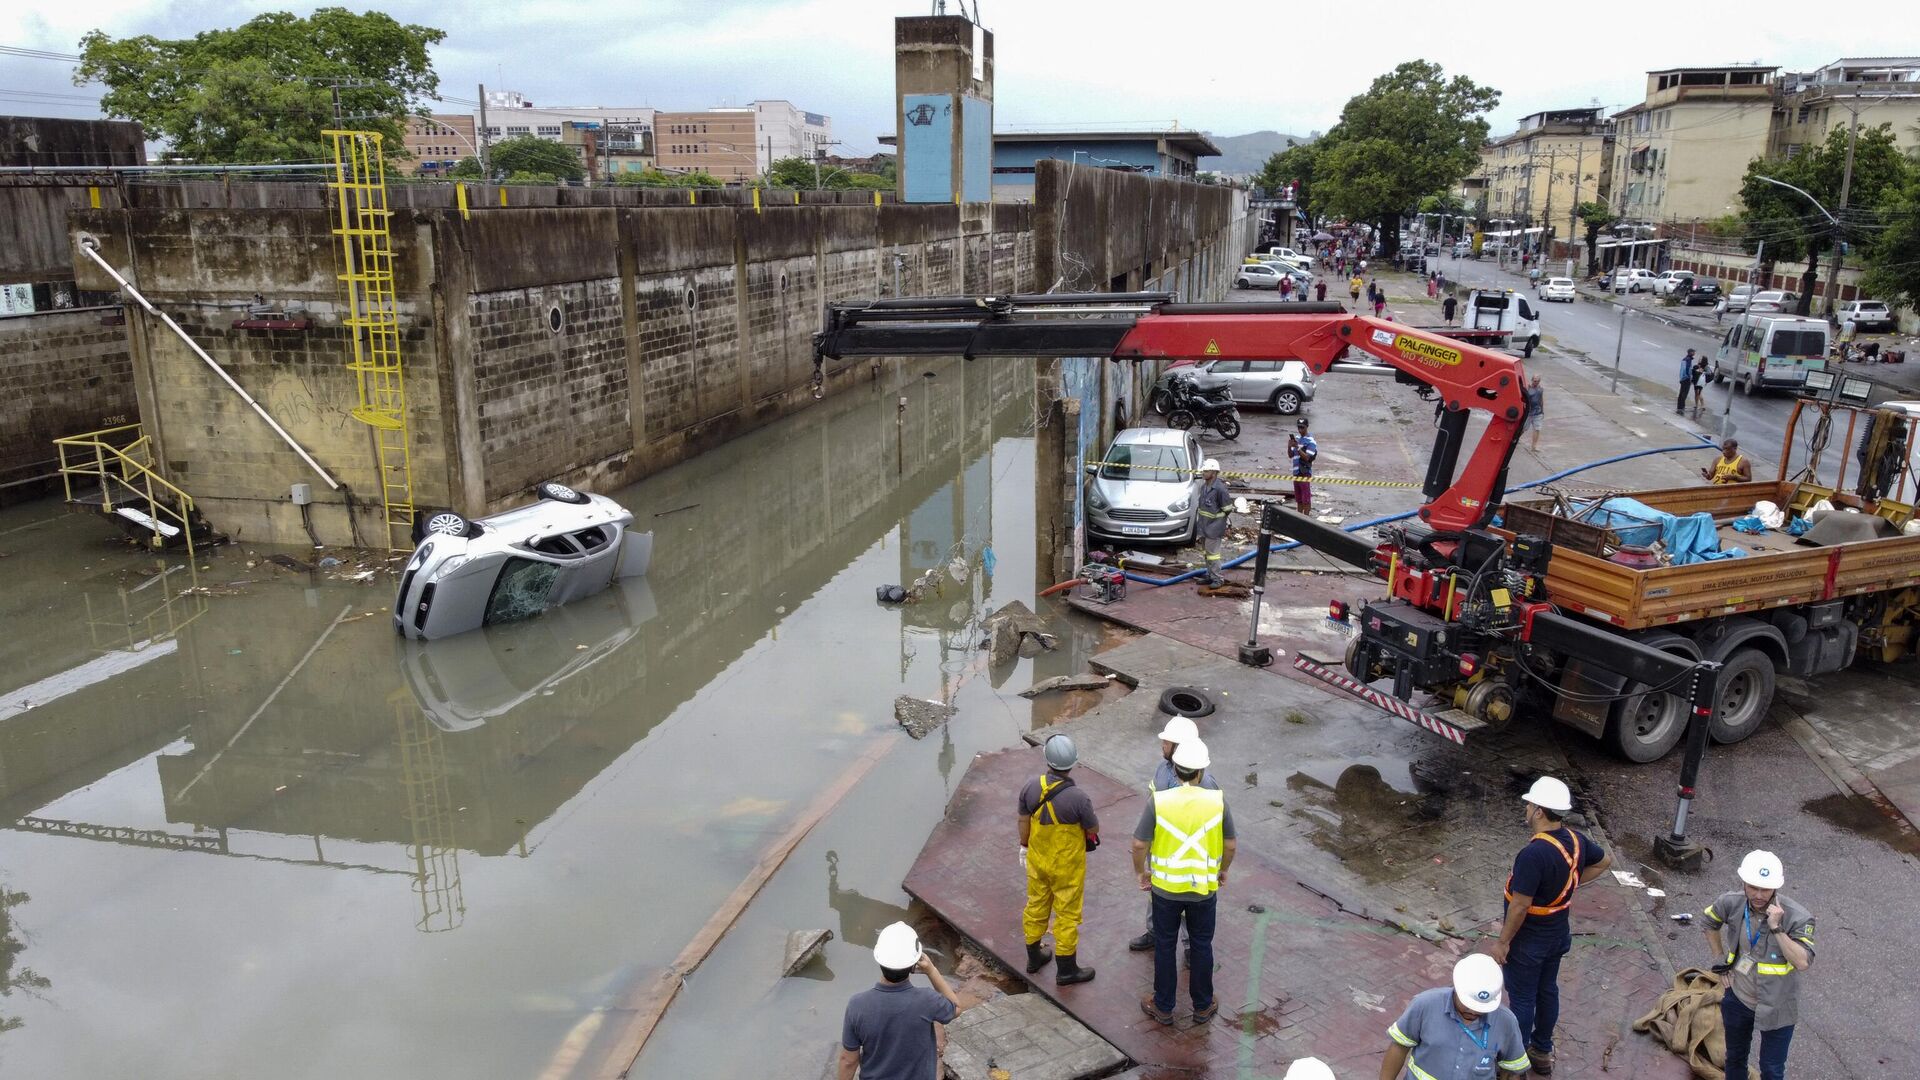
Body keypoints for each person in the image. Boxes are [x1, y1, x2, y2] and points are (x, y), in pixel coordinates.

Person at [1486, 776, 1610, 1076]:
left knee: (1523, 997)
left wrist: (1503, 942)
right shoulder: (1577, 840)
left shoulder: (1533, 854)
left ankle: (1513, 1061)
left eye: (1530, 804)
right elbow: (1606, 860)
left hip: (1529, 940)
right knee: (1547, 990)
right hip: (1557, 934)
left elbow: (1520, 906)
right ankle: (1542, 1051)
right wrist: (1569, 887)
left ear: (1539, 811)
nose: (1526, 809)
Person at [1132, 738, 1235, 1025]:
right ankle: (1202, 1006)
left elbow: (1139, 844)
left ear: (1175, 768)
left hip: (1165, 890)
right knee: (1202, 944)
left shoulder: (1159, 801)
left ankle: (1163, 1006)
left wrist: (1141, 873)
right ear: (1201, 772)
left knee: (1165, 946)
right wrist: (1223, 870)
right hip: (1203, 889)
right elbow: (1230, 845)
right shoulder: (1217, 801)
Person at [1702, 850, 1814, 1080]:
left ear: (1776, 887)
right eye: (1752, 887)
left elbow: (1802, 962)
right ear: (1743, 882)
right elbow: (1709, 923)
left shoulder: (1798, 917)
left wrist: (1776, 928)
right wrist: (1719, 960)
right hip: (1738, 999)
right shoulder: (1730, 902)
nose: (1758, 894)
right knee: (1734, 1058)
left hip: (1778, 1006)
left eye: (1765, 889)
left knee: (1772, 1070)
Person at [1129, 715, 1220, 953]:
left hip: (1190, 855)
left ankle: (1191, 946)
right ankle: (1154, 932)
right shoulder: (1162, 769)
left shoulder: (1206, 783)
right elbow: (1152, 799)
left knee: (1188, 899)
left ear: (1179, 747)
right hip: (1162, 849)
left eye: (1167, 742)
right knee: (1155, 894)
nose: (1162, 745)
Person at [839, 921, 970, 1080]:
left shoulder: (857, 1005)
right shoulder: (927, 1000)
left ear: (880, 959)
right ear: (914, 964)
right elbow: (956, 1007)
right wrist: (931, 971)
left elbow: (848, 1061)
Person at [1018, 734, 1099, 985]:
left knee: (1036, 904)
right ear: (1072, 763)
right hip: (1067, 867)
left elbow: (1023, 821)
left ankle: (1034, 957)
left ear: (1047, 759)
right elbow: (1093, 829)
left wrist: (1024, 846)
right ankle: (1066, 970)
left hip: (1038, 860)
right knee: (1067, 914)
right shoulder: (1079, 797)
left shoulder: (1031, 787)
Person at [1381, 954, 1532, 1079]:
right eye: (1467, 1004)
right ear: (1457, 988)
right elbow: (1399, 1048)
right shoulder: (1424, 1005)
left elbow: (1511, 1071)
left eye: (1480, 1008)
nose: (1473, 1011)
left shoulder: (1506, 1022)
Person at [1288, 418, 1317, 516]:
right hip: (1296, 473)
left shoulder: (1311, 442)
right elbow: (1291, 455)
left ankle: (1306, 518)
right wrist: (1289, 446)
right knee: (1299, 499)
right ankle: (1299, 517)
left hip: (1304, 472)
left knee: (1306, 499)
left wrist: (1297, 447)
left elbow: (1307, 458)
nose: (1300, 430)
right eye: (1298, 427)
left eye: (1302, 427)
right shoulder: (1297, 439)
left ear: (1307, 427)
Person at [1521, 375, 1546, 453]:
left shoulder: (1540, 389)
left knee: (1537, 429)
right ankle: (1516, 439)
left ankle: (1533, 446)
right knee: (1524, 428)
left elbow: (1541, 399)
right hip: (1528, 412)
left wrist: (1542, 410)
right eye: (1535, 381)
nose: (1536, 382)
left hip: (1537, 412)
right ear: (1532, 380)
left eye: (1538, 381)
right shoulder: (1528, 388)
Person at [1676, 349, 1697, 415]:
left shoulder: (1685, 359)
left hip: (1683, 378)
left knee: (1681, 392)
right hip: (1686, 379)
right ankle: (1681, 407)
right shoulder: (1688, 360)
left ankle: (1680, 406)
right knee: (1684, 393)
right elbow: (1687, 370)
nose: (1694, 353)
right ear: (1691, 353)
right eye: (1694, 352)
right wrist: (1689, 377)